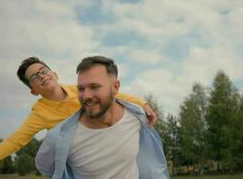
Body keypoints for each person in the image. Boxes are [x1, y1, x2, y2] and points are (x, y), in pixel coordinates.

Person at [0, 57, 156, 175]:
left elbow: (113, 94)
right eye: (35, 78)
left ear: (54, 73)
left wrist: (143, 104)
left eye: (43, 71)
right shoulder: (39, 114)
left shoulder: (79, 90)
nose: (42, 76)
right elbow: (14, 142)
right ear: (33, 90)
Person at [35, 56, 169, 179]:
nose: (86, 96)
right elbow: (47, 169)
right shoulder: (57, 138)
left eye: (94, 87)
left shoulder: (137, 117)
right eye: (81, 89)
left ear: (115, 87)